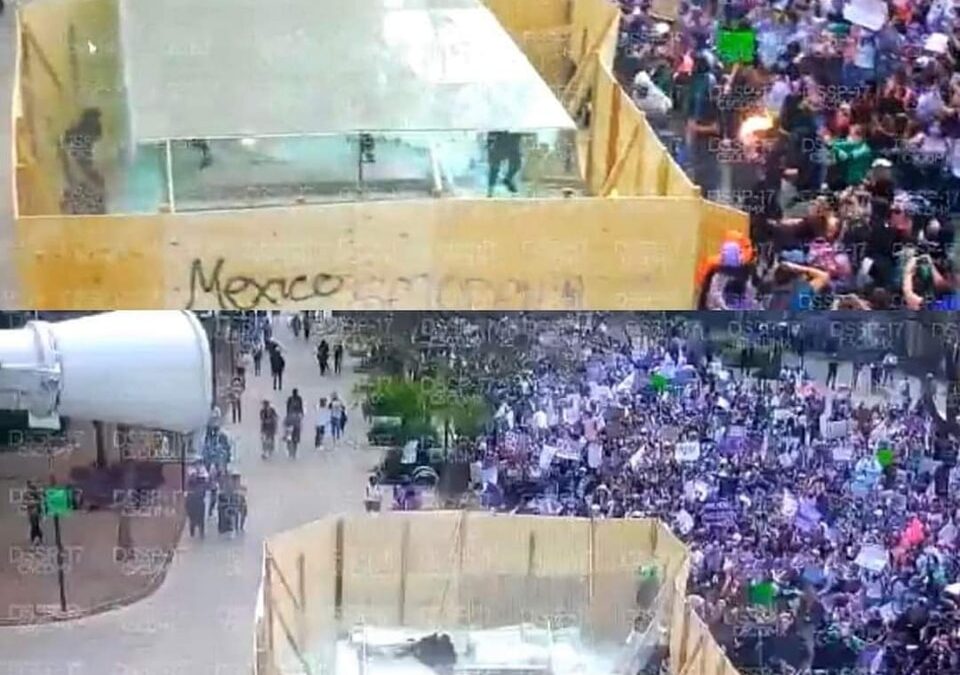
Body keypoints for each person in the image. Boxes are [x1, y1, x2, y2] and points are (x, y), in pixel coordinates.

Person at [486, 131, 523, 197]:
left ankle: (507, 179)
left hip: (510, 141)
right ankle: (491, 190)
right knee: (494, 167)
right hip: (504, 141)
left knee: (515, 165)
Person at [285, 389, 304, 458]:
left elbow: (301, 408)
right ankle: (291, 451)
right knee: (290, 437)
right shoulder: (291, 399)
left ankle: (294, 452)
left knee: (295, 438)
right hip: (292, 419)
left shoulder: (299, 399)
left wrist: (301, 415)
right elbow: (287, 408)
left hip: (295, 420)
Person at [24, 481, 43, 545]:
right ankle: (37, 538)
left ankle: (37, 538)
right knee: (35, 525)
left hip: (34, 512)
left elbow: (39, 501)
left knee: (35, 525)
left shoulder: (31, 493)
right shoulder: (28, 493)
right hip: (33, 512)